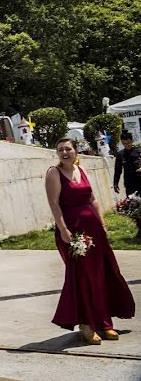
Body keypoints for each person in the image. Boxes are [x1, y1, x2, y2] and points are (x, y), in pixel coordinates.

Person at [45, 137, 135, 344]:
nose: (64, 153)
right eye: (60, 150)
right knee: (82, 278)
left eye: (68, 149)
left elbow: (92, 200)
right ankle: (86, 324)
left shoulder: (81, 170)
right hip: (73, 232)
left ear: (76, 151)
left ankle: (104, 323)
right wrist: (64, 230)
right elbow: (54, 204)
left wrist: (102, 225)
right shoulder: (54, 173)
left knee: (101, 275)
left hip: (94, 231)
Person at [114, 131, 141, 199]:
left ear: (132, 141)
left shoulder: (139, 151)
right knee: (132, 206)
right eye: (124, 144)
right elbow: (117, 171)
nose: (127, 145)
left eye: (128, 143)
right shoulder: (120, 154)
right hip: (129, 185)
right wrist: (115, 183)